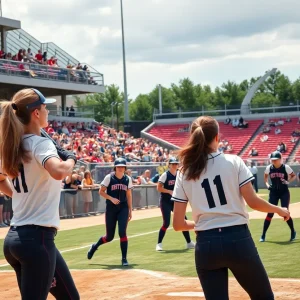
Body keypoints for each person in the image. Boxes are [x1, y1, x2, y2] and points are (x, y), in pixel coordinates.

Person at [171, 116, 290, 300]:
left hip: (206, 245)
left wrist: (203, 224)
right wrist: (279, 209)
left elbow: (178, 224)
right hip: (238, 240)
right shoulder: (233, 161)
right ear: (217, 138)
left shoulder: (184, 171)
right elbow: (253, 202)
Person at [0, 88, 79, 299]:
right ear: (36, 113)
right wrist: (71, 158)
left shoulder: (12, 146)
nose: (48, 112)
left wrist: (16, 194)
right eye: (45, 108)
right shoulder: (41, 143)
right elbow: (59, 171)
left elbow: (0, 179)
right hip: (37, 240)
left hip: (17, 239)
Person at [87, 158, 133, 266]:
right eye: (118, 166)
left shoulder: (127, 179)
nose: (121, 168)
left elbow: (129, 195)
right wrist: (111, 198)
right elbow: (101, 191)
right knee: (109, 237)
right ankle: (95, 246)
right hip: (111, 209)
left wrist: (131, 210)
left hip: (123, 208)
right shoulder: (109, 177)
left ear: (125, 168)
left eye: (122, 166)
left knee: (122, 232)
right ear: (115, 167)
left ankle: (124, 259)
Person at [156, 157, 195, 251]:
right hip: (165, 201)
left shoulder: (179, 174)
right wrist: (168, 191)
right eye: (173, 164)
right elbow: (159, 188)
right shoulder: (165, 175)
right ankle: (159, 243)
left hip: (175, 201)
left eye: (176, 164)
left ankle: (189, 242)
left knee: (183, 220)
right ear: (169, 165)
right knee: (166, 223)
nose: (175, 165)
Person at [260, 151, 296, 242]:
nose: (274, 161)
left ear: (280, 159)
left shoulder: (286, 167)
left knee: (285, 213)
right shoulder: (269, 168)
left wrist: (288, 182)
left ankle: (293, 231)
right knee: (270, 213)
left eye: (276, 160)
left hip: (284, 192)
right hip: (273, 193)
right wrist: (267, 185)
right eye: (272, 160)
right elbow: (265, 178)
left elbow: (293, 176)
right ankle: (263, 235)